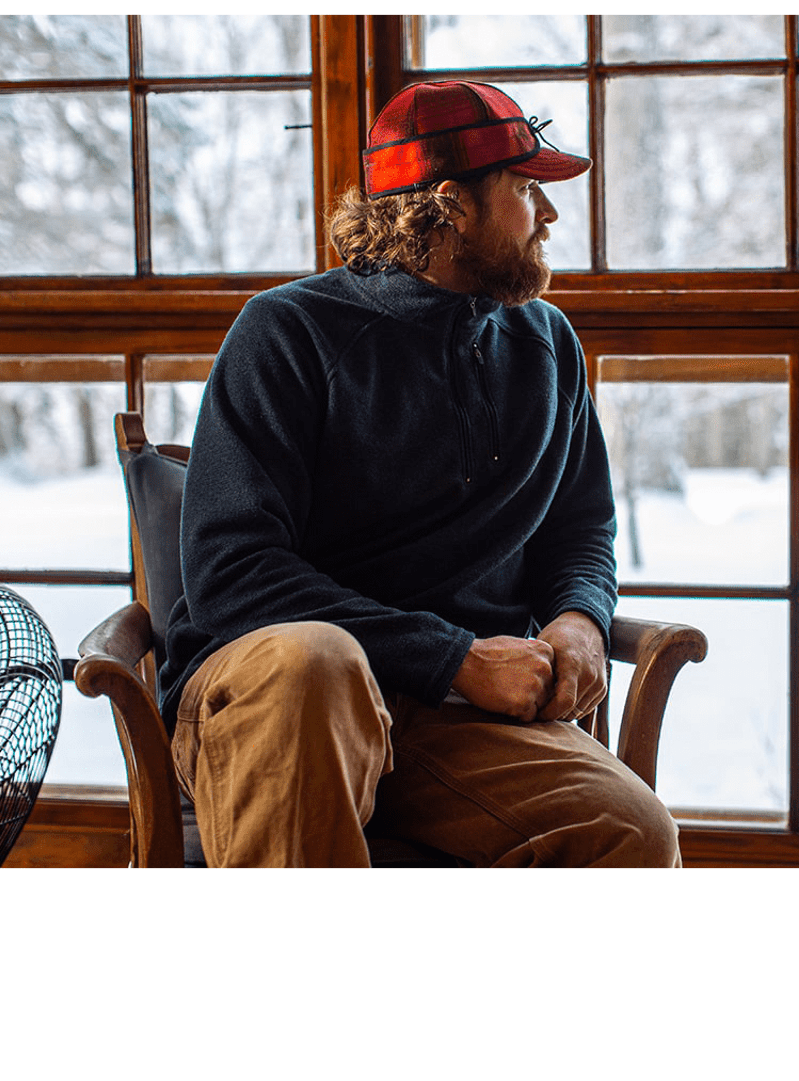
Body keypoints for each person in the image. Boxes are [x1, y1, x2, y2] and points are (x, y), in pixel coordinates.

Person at [159, 80, 681, 868]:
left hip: (451, 711)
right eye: (527, 188)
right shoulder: (287, 333)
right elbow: (234, 575)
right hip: (275, 695)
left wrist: (578, 618)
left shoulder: (546, 342)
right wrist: (460, 657)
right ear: (451, 204)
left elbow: (580, 526)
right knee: (317, 659)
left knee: (629, 831)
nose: (550, 215)